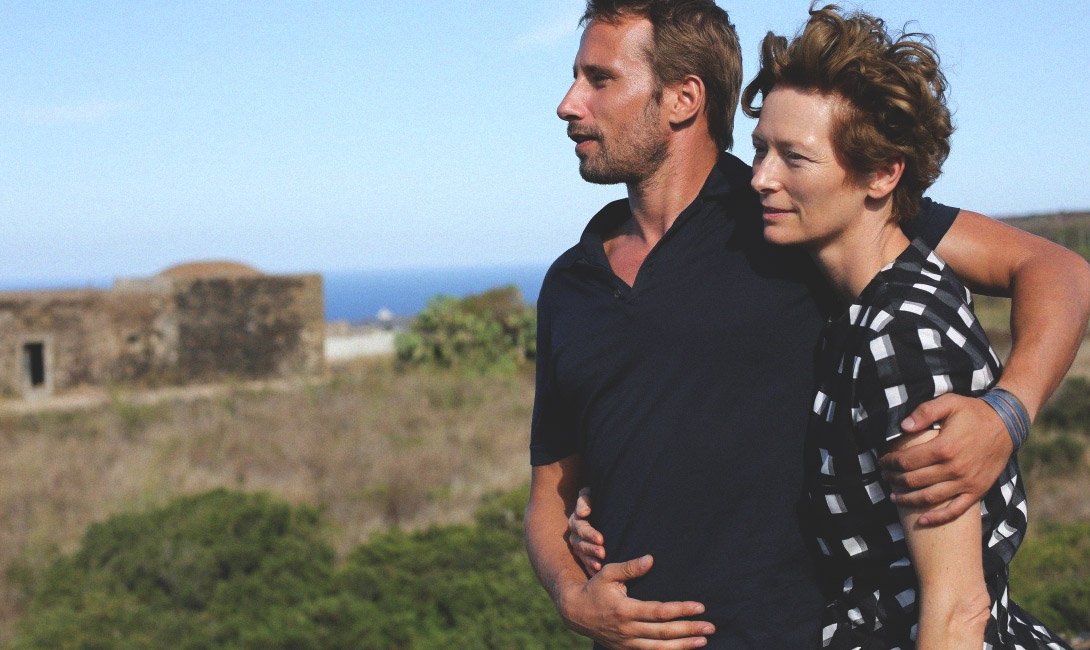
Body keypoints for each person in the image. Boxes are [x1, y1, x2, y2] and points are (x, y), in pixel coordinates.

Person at [525, 1, 1090, 648]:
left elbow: (1055, 269)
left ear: (684, 97)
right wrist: (572, 591)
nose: (568, 104)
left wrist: (1006, 414)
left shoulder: (803, 211)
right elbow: (552, 491)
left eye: (600, 79)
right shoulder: (572, 284)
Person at [741, 6, 1069, 647]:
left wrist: (1007, 412)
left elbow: (956, 610)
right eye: (759, 149)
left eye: (794, 158)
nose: (761, 178)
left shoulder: (902, 336)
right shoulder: (859, 304)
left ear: (882, 174)